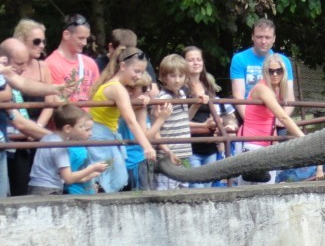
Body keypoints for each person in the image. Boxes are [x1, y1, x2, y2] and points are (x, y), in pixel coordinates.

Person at [88, 46, 158, 191]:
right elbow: (131, 121)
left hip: (103, 138)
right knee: (102, 185)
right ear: (123, 66)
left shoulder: (111, 84)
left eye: (142, 72)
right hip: (100, 140)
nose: (139, 76)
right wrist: (147, 146)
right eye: (136, 71)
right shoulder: (118, 89)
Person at [239, 55, 316, 183]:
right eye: (271, 71)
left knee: (268, 189)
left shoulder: (275, 89)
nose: (275, 74)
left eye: (279, 71)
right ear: (265, 72)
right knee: (244, 191)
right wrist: (305, 140)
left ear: (283, 72)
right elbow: (283, 117)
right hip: (251, 145)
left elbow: (271, 119)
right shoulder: (262, 89)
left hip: (266, 145)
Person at [0, 38, 53, 195]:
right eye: (19, 64)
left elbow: (23, 85)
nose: (24, 68)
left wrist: (54, 89)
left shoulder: (5, 77)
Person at [27, 105, 109, 196]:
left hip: (37, 186)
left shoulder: (48, 138)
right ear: (67, 129)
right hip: (49, 190)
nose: (83, 129)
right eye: (81, 126)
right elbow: (68, 178)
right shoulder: (60, 146)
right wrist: (92, 168)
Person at [230, 19, 295, 121]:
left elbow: (289, 97)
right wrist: (250, 120)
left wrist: (281, 120)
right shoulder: (239, 59)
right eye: (259, 37)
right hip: (249, 115)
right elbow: (238, 96)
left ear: (274, 39)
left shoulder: (284, 61)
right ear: (252, 37)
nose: (263, 41)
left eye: (267, 37)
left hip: (276, 115)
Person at [184, 46, 230, 175]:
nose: (196, 62)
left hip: (210, 145)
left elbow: (214, 112)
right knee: (196, 188)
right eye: (191, 60)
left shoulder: (208, 85)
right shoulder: (181, 88)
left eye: (198, 59)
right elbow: (180, 120)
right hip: (191, 146)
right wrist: (204, 125)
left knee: (209, 188)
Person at [154, 54, 194, 189]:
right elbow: (155, 131)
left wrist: (197, 104)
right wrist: (168, 152)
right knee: (167, 194)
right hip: (168, 156)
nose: (177, 80)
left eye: (181, 76)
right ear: (164, 77)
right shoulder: (161, 98)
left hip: (184, 154)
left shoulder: (182, 94)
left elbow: (185, 118)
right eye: (173, 76)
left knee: (183, 192)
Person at [45, 14, 100, 103]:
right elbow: (59, 103)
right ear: (66, 35)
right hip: (69, 115)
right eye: (81, 38)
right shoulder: (51, 64)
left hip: (94, 115)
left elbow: (98, 95)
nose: (85, 43)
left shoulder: (90, 62)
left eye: (86, 38)